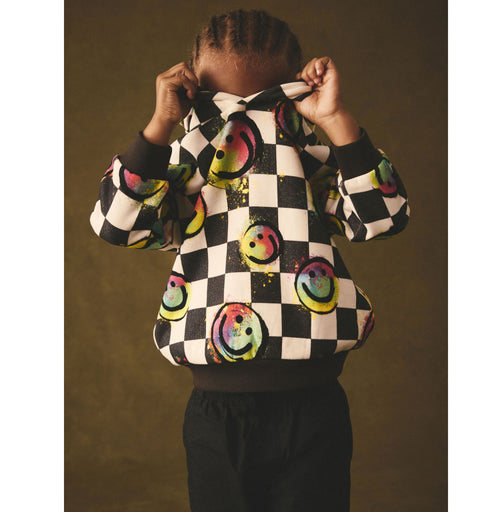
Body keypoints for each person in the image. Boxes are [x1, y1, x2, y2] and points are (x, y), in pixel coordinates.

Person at [89, 9, 410, 512]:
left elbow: (384, 216)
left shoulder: (306, 157)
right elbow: (116, 223)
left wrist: (334, 120)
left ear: (293, 93)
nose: (242, 123)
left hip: (315, 405)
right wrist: (160, 126)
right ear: (192, 94)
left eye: (265, 104)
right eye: (218, 105)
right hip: (215, 413)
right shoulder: (186, 164)